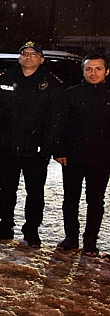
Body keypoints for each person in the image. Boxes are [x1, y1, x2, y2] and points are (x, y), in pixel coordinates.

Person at [0, 41, 64, 248]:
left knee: (35, 192)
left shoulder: (51, 84)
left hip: (35, 151)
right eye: (25, 53)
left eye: (33, 54)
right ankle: (4, 227)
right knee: (6, 190)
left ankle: (31, 231)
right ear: (19, 58)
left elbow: (55, 120)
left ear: (41, 59)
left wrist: (46, 148)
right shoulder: (4, 79)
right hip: (7, 147)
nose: (28, 57)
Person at [53, 53, 110, 255]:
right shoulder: (71, 94)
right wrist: (59, 150)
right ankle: (71, 237)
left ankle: (90, 240)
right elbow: (60, 125)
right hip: (73, 157)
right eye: (88, 69)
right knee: (70, 199)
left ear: (107, 71)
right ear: (83, 71)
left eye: (98, 69)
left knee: (96, 201)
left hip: (102, 159)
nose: (93, 73)